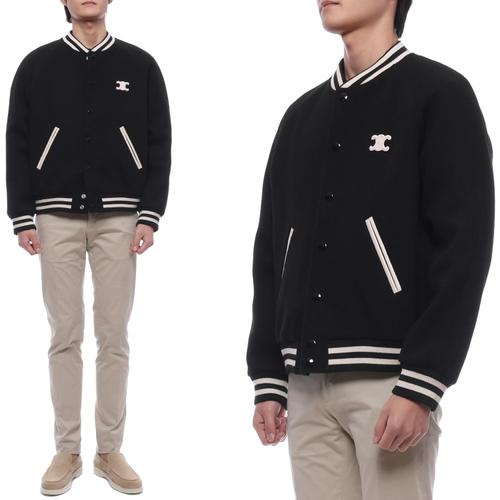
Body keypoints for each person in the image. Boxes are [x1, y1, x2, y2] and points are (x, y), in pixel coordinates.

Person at [246, 1, 494, 498]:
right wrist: (268, 374)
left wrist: (423, 382)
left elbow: (464, 250)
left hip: (392, 383)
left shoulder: (440, 95)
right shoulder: (299, 117)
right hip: (305, 384)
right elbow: (271, 251)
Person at [6, 0, 171, 495]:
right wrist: (21, 214)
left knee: (113, 335)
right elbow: (16, 141)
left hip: (121, 217)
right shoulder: (36, 66)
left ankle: (109, 450)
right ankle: (67, 449)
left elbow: (159, 141)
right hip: (53, 215)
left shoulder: (140, 65)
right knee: (65, 334)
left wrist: (150, 212)